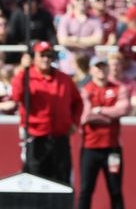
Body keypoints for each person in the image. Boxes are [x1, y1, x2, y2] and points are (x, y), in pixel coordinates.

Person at [11, 41, 83, 185]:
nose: (46, 59)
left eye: (49, 55)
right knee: (35, 179)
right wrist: (22, 71)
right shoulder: (26, 77)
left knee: (61, 180)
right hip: (36, 138)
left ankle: (61, 208)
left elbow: (77, 102)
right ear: (34, 57)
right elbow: (16, 96)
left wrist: (74, 122)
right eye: (42, 55)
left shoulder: (64, 79)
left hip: (60, 137)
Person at [76, 56, 131, 209]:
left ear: (108, 69)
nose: (100, 71)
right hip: (90, 147)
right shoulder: (86, 89)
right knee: (86, 189)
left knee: (115, 189)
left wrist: (99, 110)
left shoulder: (117, 88)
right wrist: (108, 115)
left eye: (103, 67)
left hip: (112, 148)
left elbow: (124, 109)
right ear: (91, 70)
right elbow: (85, 116)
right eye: (97, 67)